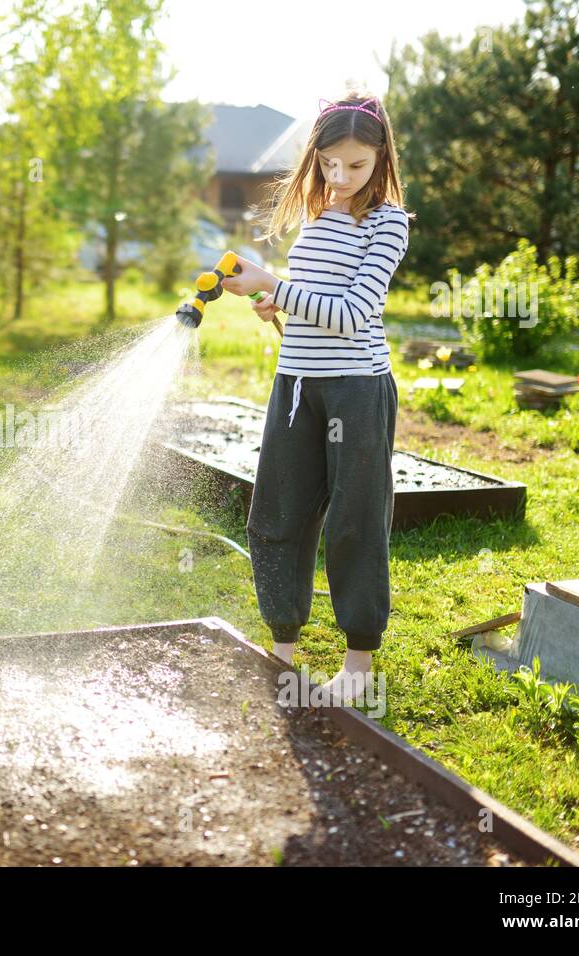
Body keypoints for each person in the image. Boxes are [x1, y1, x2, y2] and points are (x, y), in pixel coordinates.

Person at [217, 91, 413, 703]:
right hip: (296, 385)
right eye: (329, 164)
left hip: (356, 391)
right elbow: (316, 299)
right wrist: (275, 301)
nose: (340, 176)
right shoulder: (320, 215)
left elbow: (354, 315)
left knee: (356, 521)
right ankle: (281, 651)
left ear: (381, 159)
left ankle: (358, 666)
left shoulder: (388, 223)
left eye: (356, 165)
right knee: (278, 514)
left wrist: (277, 283)